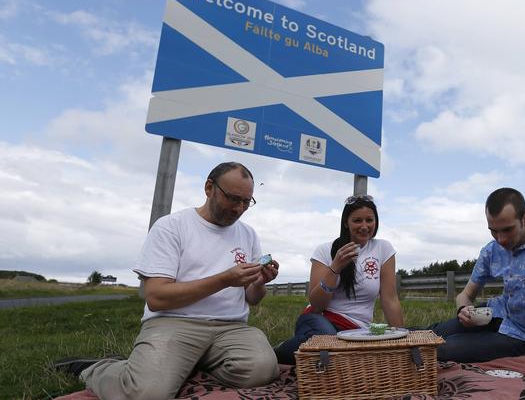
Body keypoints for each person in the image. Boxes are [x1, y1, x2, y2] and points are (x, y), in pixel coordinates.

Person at [53, 162, 280, 399]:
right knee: (147, 393)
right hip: (173, 323)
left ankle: (182, 366)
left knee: (263, 370)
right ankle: (97, 368)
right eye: (233, 199)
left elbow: (252, 299)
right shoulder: (171, 227)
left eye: (246, 202)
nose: (239, 209)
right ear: (209, 188)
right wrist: (224, 279)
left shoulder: (248, 234)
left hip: (231, 328)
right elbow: (157, 298)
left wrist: (259, 282)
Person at [430, 188, 525, 380]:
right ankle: (388, 339)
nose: (501, 239)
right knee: (434, 333)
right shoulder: (491, 250)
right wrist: (463, 309)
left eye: (508, 230)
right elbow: (465, 295)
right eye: (493, 231)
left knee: (444, 348)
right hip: (497, 314)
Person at [274, 194, 403, 365]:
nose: (364, 226)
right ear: (346, 223)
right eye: (357, 220)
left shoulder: (383, 249)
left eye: (369, 220)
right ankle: (276, 354)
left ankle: (302, 351)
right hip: (321, 320)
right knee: (330, 341)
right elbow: (317, 304)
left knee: (350, 353)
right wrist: (335, 267)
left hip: (358, 331)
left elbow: (390, 299)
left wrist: (403, 340)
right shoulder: (324, 250)